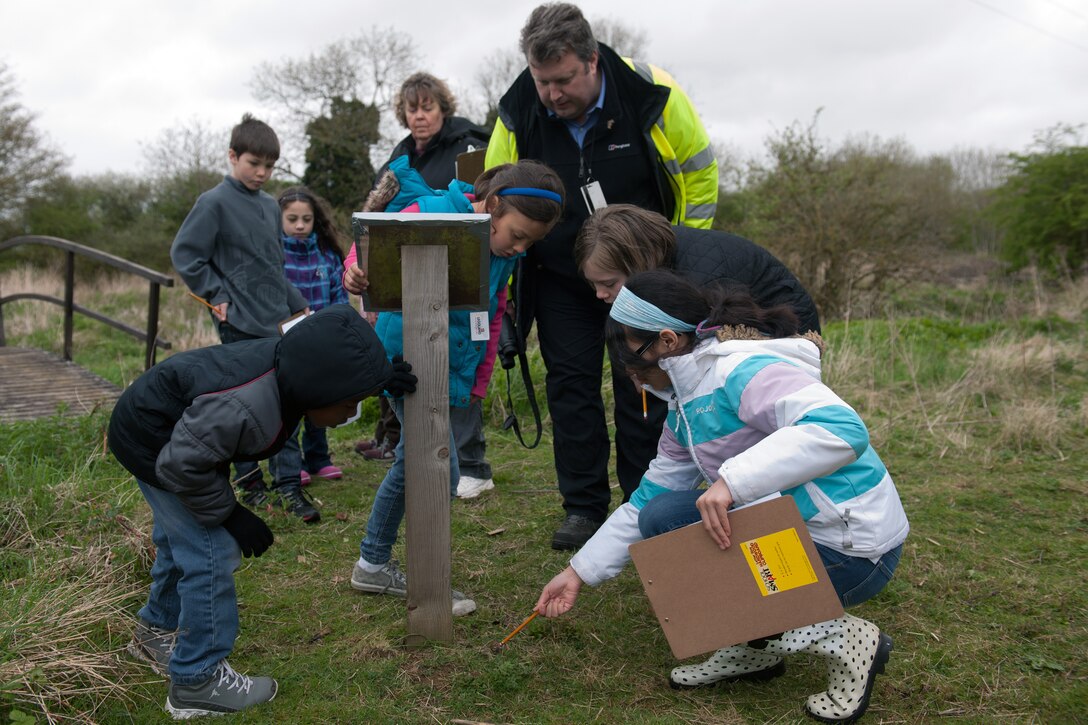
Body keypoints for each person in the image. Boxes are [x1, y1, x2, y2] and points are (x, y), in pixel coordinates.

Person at [535, 269, 909, 724]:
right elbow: (645, 501)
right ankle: (757, 649)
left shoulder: (742, 371)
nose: (633, 381)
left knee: (696, 539)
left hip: (853, 548)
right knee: (662, 516)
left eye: (634, 365)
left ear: (668, 342)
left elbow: (841, 429)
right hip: (794, 530)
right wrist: (578, 571)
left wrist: (732, 481)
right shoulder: (685, 410)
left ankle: (847, 639)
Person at [484, 2, 720, 550]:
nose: (552, 95)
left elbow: (700, 175)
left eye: (563, 80)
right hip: (561, 280)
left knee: (646, 388)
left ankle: (646, 505)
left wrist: (679, 259)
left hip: (643, 279)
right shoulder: (518, 108)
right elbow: (491, 200)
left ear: (592, 61)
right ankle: (584, 509)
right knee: (570, 388)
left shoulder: (651, 93)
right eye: (543, 81)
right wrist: (505, 287)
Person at [110, 305, 409, 718]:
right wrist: (231, 515)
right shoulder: (245, 404)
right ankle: (197, 680)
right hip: (156, 444)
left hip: (180, 437)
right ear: (320, 389)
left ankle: (156, 632)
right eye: (351, 401)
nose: (350, 414)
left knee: (179, 539)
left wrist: (377, 379)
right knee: (213, 551)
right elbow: (182, 465)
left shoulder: (294, 372)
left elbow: (326, 362)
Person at [342, 155, 564, 615]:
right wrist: (355, 272)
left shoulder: (501, 254)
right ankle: (414, 576)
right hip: (408, 360)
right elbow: (369, 243)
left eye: (530, 243)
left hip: (449, 364)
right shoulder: (433, 212)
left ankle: (373, 564)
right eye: (517, 235)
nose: (520, 248)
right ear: (493, 205)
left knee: (420, 461)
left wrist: (478, 381)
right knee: (435, 467)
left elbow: (491, 312)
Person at [356, 73, 494, 503]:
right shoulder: (399, 155)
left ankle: (472, 464)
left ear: (442, 108)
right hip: (409, 270)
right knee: (410, 362)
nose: (419, 116)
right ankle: (405, 447)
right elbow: (377, 211)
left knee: (463, 358)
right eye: (412, 109)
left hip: (463, 265)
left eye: (427, 107)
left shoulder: (468, 145)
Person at [170, 113, 310, 513]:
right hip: (239, 324)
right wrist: (215, 294)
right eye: (254, 163)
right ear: (233, 156)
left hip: (279, 321)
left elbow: (272, 264)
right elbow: (186, 255)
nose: (262, 173)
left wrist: (297, 301)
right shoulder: (212, 202)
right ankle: (251, 486)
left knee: (288, 403)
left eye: (270, 166)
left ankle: (290, 485)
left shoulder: (270, 206)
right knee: (241, 409)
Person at [575, 204, 821, 333]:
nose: (600, 294)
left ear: (639, 262)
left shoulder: (703, 283)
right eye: (593, 284)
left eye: (608, 284)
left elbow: (701, 360)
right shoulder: (661, 258)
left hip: (787, 334)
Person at [266, 187, 351, 520]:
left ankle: (319, 459)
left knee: (320, 401)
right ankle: (294, 463)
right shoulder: (274, 256)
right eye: (292, 219)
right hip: (285, 341)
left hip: (321, 341)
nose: (300, 225)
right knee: (290, 405)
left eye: (306, 219)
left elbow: (338, 294)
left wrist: (339, 327)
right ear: (279, 220)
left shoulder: (327, 256)